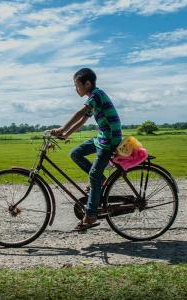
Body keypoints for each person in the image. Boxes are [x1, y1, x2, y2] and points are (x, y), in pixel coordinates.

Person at [51, 68, 122, 230]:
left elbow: (80, 112)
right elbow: (84, 119)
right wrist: (67, 134)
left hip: (109, 139)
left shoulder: (96, 95)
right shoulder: (94, 97)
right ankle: (101, 180)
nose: (76, 89)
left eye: (77, 85)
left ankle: (90, 216)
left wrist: (62, 128)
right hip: (102, 137)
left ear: (87, 83)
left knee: (94, 176)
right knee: (76, 153)